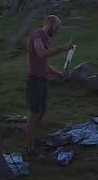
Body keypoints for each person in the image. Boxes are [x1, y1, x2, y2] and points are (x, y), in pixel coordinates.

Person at [25, 14, 73, 155]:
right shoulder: (37, 35)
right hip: (34, 79)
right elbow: (41, 53)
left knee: (42, 110)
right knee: (35, 112)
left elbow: (45, 64)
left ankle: (31, 134)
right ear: (50, 24)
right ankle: (29, 146)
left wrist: (59, 74)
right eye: (57, 27)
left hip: (42, 79)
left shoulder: (45, 38)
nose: (57, 31)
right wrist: (62, 49)